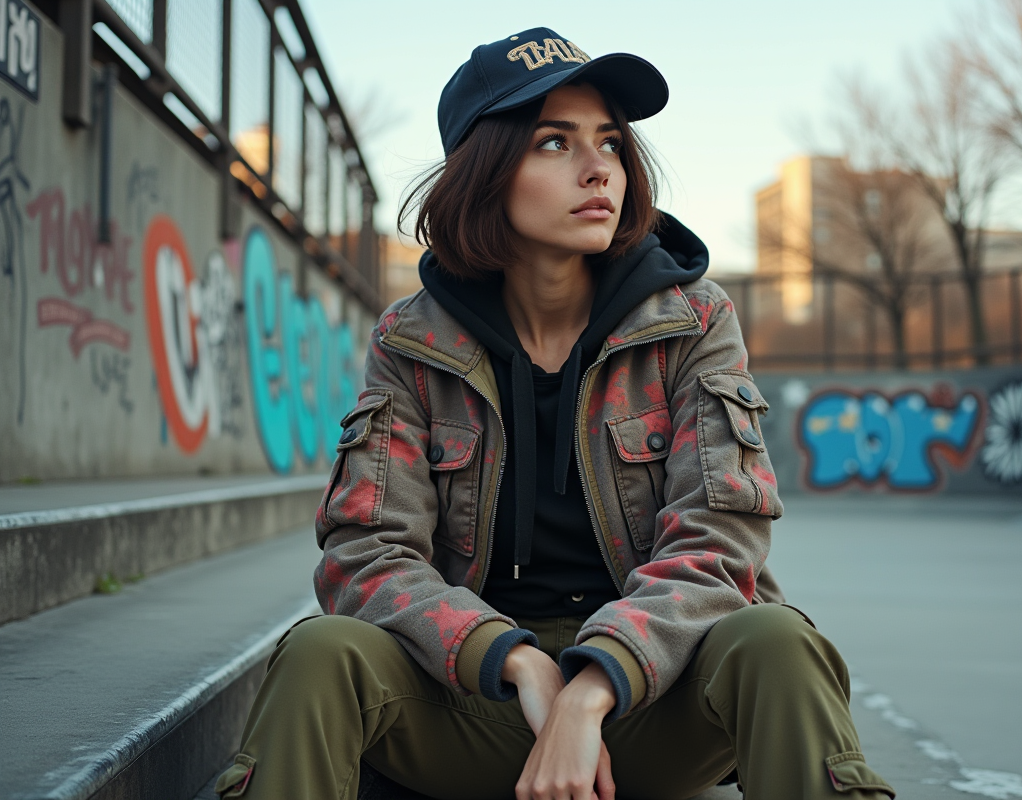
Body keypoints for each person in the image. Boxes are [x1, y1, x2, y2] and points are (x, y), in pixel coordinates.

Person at [215, 28, 894, 800]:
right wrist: (516, 659)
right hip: (477, 700)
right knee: (319, 652)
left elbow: (719, 540)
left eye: (609, 141)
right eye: (554, 142)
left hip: (651, 698)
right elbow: (369, 557)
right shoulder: (413, 340)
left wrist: (593, 681)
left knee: (777, 640)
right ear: (486, 171)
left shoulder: (691, 322)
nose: (598, 166)